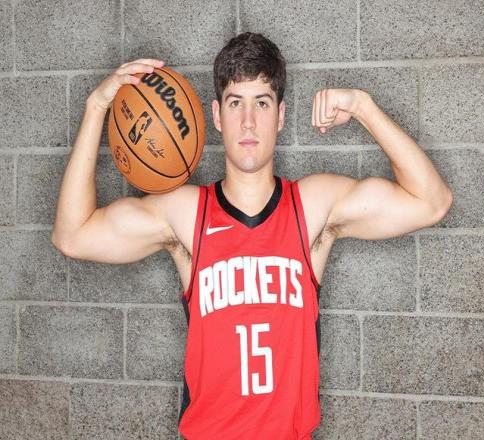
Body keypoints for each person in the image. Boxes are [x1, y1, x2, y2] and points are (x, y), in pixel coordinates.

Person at [51, 32, 453, 439]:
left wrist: (364, 108)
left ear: (280, 116)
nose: (248, 121)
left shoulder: (311, 207)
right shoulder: (186, 214)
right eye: (235, 103)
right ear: (216, 115)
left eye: (261, 103)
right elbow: (73, 235)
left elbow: (431, 202)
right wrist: (96, 107)